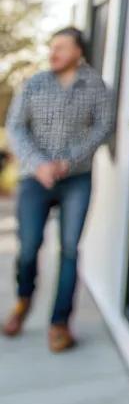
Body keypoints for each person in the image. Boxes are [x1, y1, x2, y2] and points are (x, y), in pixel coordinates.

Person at [3, 27, 114, 351]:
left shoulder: (97, 88)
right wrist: (39, 164)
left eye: (61, 47)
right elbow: (16, 127)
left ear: (79, 51)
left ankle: (60, 323)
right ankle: (23, 301)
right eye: (51, 47)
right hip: (34, 179)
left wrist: (67, 161)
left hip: (76, 179)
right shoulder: (34, 84)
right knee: (28, 248)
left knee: (69, 249)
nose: (53, 53)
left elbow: (102, 128)